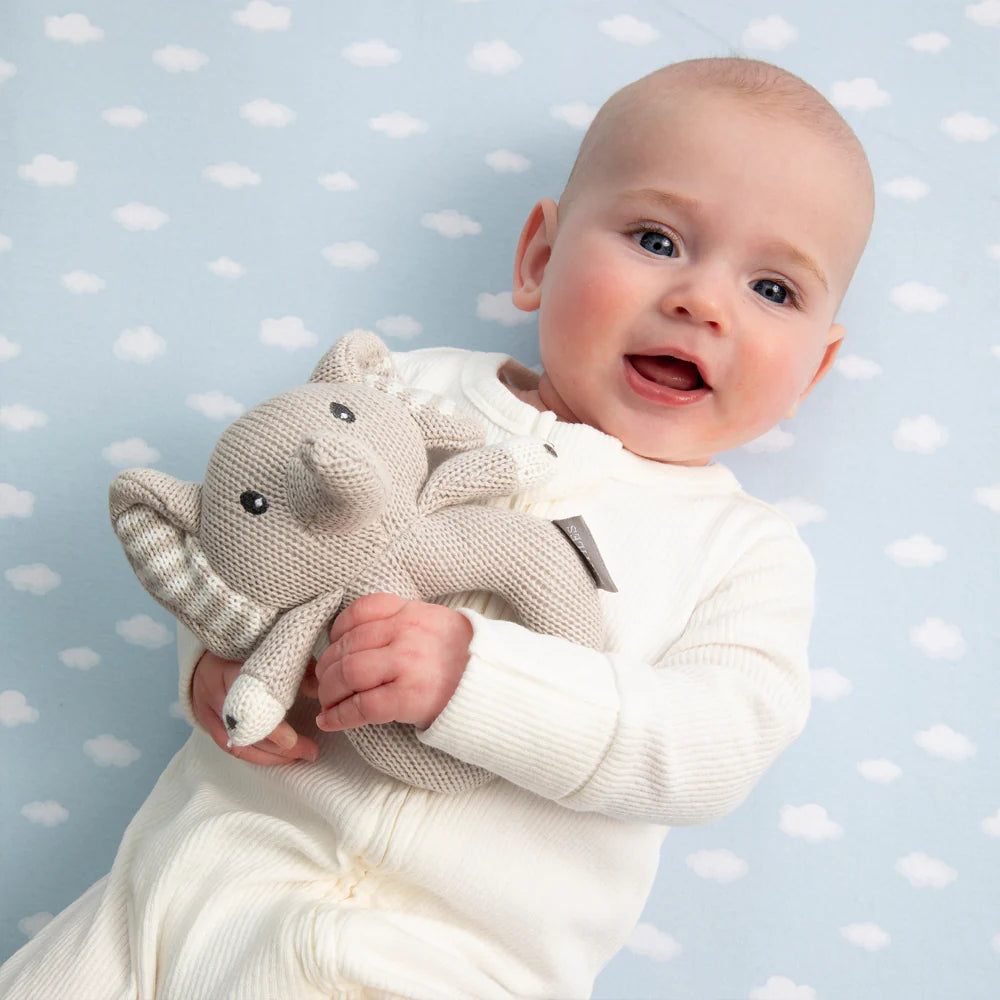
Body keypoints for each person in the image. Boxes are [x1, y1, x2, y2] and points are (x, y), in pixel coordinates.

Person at [0, 56, 874, 999]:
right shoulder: (392, 391)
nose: (701, 301)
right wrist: (214, 667)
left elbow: (713, 747)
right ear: (539, 257)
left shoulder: (743, 555)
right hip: (184, 890)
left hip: (447, 965)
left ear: (813, 372)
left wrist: (479, 677)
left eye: (774, 290)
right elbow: (250, 538)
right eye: (657, 238)